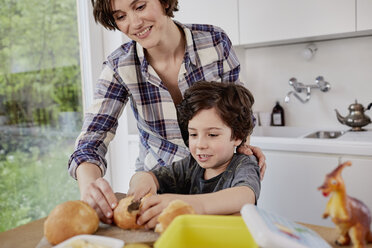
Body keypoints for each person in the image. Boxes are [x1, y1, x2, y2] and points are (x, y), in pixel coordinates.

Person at [68, 0, 266, 224]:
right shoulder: (119, 66)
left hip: (220, 193)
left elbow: (241, 113)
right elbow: (92, 139)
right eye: (120, 16)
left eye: (140, 6)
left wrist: (241, 145)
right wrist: (90, 187)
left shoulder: (214, 42)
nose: (134, 23)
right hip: (160, 196)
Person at [129, 81, 260, 229]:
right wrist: (143, 180)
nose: (200, 144)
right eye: (193, 134)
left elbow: (245, 196)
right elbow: (150, 176)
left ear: (237, 136)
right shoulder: (190, 165)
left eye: (212, 134)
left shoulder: (244, 164)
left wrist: (195, 205)